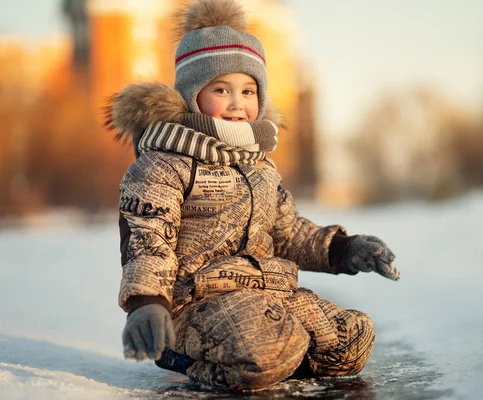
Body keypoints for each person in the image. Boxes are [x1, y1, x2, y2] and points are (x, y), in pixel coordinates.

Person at [106, 0, 399, 392]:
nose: (236, 103)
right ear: (194, 95)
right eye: (221, 89)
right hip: (197, 302)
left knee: (350, 341)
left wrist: (345, 248)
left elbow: (288, 232)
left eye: (248, 90)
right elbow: (148, 239)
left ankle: (279, 355)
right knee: (268, 351)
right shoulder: (165, 162)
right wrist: (147, 304)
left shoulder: (258, 165)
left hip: (267, 292)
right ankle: (186, 355)